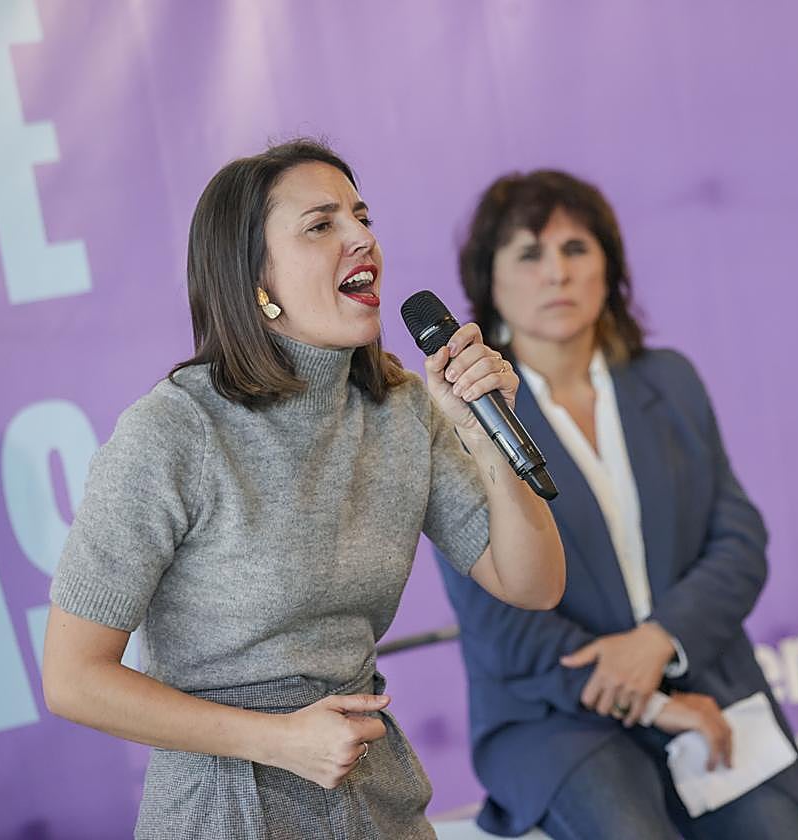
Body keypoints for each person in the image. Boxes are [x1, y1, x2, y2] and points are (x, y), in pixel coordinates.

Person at [40, 139, 565, 840]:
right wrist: (279, 740)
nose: (362, 238)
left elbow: (532, 583)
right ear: (255, 282)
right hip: (227, 805)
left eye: (361, 215)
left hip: (373, 794)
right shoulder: (174, 431)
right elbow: (73, 679)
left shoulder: (404, 406)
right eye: (322, 225)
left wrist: (479, 433)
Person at [436, 169, 798, 839]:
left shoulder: (669, 382)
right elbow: (499, 622)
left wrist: (658, 644)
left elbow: (739, 542)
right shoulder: (468, 417)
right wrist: (645, 698)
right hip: (556, 715)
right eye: (529, 254)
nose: (556, 272)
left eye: (576, 249)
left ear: (608, 267)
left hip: (700, 678)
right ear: (488, 282)